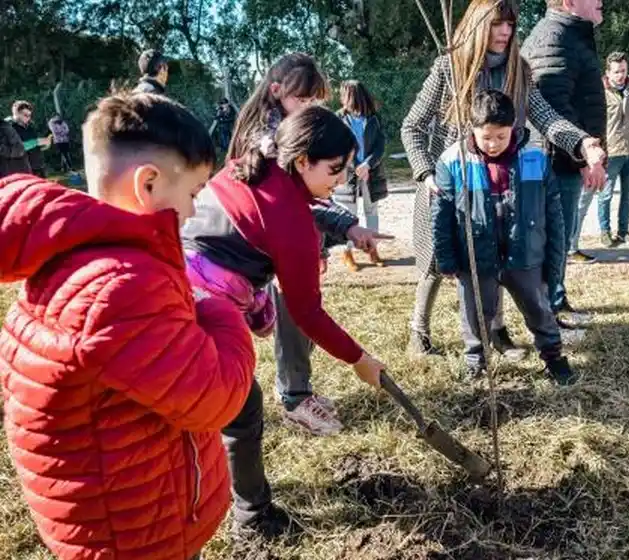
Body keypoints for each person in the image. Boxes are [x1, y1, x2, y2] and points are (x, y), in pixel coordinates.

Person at [0, 92, 256, 560]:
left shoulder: (77, 256)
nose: (196, 211)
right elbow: (214, 397)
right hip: (135, 530)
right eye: (194, 193)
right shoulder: (123, 286)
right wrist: (220, 308)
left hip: (109, 510)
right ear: (149, 184)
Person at [182, 104, 388, 543]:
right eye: (335, 169)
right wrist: (359, 359)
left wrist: (346, 228)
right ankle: (252, 519)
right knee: (241, 407)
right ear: (301, 161)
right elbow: (307, 313)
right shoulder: (289, 218)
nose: (341, 179)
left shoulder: (251, 165)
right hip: (198, 309)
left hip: (169, 283)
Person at [402, 0, 603, 356]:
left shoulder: (518, 71)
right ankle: (420, 328)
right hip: (448, 183)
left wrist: (582, 142)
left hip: (496, 183)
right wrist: (426, 172)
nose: (505, 32)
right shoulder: (450, 68)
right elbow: (413, 126)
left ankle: (495, 331)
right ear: (479, 25)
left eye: (510, 24)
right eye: (497, 24)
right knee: (437, 258)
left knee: (495, 255)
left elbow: (547, 118)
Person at [433, 90, 573, 384]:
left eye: (501, 136)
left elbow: (555, 215)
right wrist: (447, 259)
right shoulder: (452, 161)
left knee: (539, 308)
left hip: (525, 256)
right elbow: (442, 215)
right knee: (475, 315)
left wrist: (555, 261)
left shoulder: (535, 157)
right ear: (471, 129)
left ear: (514, 129)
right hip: (477, 258)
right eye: (486, 137)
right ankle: (476, 360)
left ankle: (553, 356)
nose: (493, 144)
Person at [521, 0, 609, 313]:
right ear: (569, 2)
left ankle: (556, 302)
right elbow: (552, 108)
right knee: (554, 242)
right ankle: (550, 311)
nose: (600, 1)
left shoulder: (570, 35)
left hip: (567, 159)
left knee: (560, 239)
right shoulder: (553, 38)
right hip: (555, 161)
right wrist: (582, 158)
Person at [571, 51, 629, 251]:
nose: (620, 75)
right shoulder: (599, 93)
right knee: (605, 195)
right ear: (607, 72)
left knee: (628, 195)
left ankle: (623, 231)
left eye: (623, 70)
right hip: (611, 153)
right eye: (616, 72)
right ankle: (605, 231)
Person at [334, 80, 388, 271]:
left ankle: (373, 250)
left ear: (353, 96)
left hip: (371, 174)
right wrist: (355, 166)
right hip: (348, 174)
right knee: (349, 214)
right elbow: (336, 146)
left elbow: (380, 145)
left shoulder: (374, 117)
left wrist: (368, 165)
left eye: (344, 94)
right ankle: (347, 254)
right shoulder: (338, 118)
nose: (341, 98)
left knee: (371, 211)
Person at [9, 101, 51, 178]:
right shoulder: (9, 128)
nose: (28, 118)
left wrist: (44, 145)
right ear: (16, 113)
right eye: (25, 115)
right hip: (22, 171)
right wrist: (36, 142)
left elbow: (33, 146)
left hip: (38, 168)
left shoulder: (30, 126)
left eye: (29, 115)